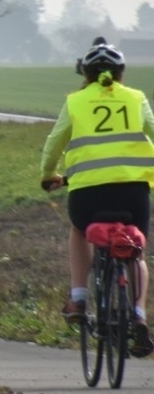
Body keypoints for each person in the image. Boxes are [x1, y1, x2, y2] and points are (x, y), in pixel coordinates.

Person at [41, 38, 154, 357]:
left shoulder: (75, 101)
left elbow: (54, 143)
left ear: (86, 75)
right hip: (133, 192)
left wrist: (48, 175)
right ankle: (139, 317)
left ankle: (78, 297)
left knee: (79, 231)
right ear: (120, 74)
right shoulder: (136, 98)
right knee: (136, 250)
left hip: (87, 194)